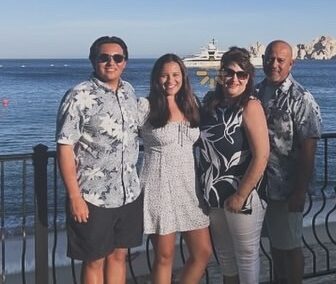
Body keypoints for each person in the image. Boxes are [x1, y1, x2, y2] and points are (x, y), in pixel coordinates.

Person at [56, 36, 143, 284]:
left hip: (128, 193)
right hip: (92, 197)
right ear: (93, 60)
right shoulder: (78, 95)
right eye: (104, 57)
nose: (111, 62)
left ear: (125, 62)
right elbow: (64, 146)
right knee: (94, 261)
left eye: (117, 58)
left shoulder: (129, 91)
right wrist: (74, 197)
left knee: (119, 256)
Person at [138, 53, 212, 284]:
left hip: (189, 187)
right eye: (164, 75)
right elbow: (119, 137)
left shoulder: (191, 104)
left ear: (183, 77)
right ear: (156, 78)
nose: (170, 80)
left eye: (175, 74)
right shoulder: (145, 106)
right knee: (164, 256)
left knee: (202, 253)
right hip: (158, 185)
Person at [198, 47, 270, 284]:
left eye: (242, 74)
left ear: (248, 79)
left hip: (243, 196)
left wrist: (241, 195)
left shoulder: (250, 106)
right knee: (226, 257)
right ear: (220, 74)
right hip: (214, 195)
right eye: (229, 72)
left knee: (247, 256)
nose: (234, 79)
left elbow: (261, 156)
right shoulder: (210, 104)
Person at [256, 40, 322, 284]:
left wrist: (300, 191)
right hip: (262, 188)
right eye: (270, 58)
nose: (274, 64)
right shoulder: (256, 92)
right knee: (276, 244)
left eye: (280, 60)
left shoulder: (301, 98)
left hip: (286, 189)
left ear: (291, 64)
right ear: (263, 59)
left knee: (290, 246)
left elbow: (309, 148)